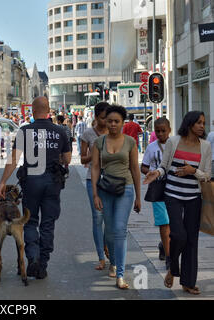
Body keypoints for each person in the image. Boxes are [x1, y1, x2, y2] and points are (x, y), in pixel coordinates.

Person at [0, 97, 72, 280]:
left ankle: (33, 258)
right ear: (48, 110)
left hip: (31, 181)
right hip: (52, 182)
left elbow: (14, 159)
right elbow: (68, 159)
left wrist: (3, 181)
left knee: (30, 221)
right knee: (48, 223)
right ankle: (43, 264)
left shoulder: (25, 131)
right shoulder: (60, 131)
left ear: (32, 110)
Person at [144, 111, 212, 295]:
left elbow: (206, 175)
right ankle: (173, 269)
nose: (201, 126)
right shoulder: (174, 142)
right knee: (179, 235)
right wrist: (156, 173)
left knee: (191, 240)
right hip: (172, 195)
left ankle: (188, 282)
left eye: (203, 123)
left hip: (194, 198)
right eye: (198, 122)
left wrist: (193, 171)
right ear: (189, 123)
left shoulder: (205, 146)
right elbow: (164, 167)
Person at [91, 105, 141, 290]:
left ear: (122, 123)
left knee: (120, 230)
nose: (112, 124)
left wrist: (138, 196)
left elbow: (135, 169)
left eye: (116, 121)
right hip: (105, 190)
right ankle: (112, 262)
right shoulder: (99, 142)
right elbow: (95, 167)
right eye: (109, 120)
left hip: (125, 189)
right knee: (110, 230)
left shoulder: (130, 142)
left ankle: (120, 274)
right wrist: (95, 193)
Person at [80, 102, 110, 271]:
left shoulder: (114, 132)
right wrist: (93, 155)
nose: (106, 122)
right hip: (93, 179)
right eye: (103, 118)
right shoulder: (87, 134)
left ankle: (106, 245)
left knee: (109, 218)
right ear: (96, 117)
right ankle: (100, 256)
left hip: (112, 179)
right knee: (97, 218)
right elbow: (82, 159)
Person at [141, 117, 172, 270]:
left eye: (163, 131)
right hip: (158, 188)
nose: (160, 134)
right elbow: (143, 167)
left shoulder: (175, 146)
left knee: (174, 223)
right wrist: (152, 173)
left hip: (174, 187)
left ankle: (163, 245)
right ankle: (169, 256)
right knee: (164, 222)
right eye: (157, 131)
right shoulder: (151, 147)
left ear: (169, 130)